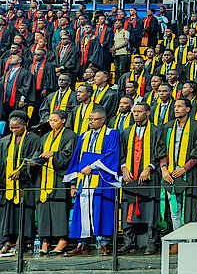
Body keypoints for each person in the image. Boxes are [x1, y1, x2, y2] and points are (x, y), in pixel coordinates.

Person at [63, 108, 122, 256]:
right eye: (89, 119)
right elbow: (77, 158)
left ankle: (104, 243)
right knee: (82, 210)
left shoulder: (112, 134)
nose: (90, 122)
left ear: (102, 120)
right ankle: (82, 243)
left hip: (102, 178)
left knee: (103, 209)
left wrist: (93, 166)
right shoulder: (84, 135)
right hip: (84, 179)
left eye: (93, 119)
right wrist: (73, 183)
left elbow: (112, 154)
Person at [119, 102, 164, 255]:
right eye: (134, 112)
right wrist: (124, 167)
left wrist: (149, 167)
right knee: (128, 207)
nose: (136, 114)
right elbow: (122, 154)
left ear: (148, 113)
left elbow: (160, 153)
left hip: (149, 176)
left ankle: (151, 242)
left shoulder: (157, 130)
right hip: (130, 176)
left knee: (151, 209)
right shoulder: (126, 132)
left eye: (139, 111)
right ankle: (128, 242)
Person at [29, 110, 77, 255]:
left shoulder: (70, 136)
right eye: (50, 120)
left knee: (59, 208)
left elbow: (69, 156)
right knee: (43, 209)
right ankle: (45, 240)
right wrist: (33, 162)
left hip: (59, 178)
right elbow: (38, 153)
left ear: (63, 120)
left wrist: (54, 154)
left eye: (55, 120)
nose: (52, 123)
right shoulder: (45, 137)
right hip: (43, 177)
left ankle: (62, 239)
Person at [160, 97, 197, 240]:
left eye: (180, 106)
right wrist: (164, 169)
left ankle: (191, 239)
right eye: (175, 107)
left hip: (189, 174)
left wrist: (185, 168)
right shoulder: (168, 127)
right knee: (174, 208)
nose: (176, 109)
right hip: (170, 174)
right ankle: (178, 239)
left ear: (188, 109)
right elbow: (161, 149)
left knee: (189, 207)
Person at [0, 111, 42, 255]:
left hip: (26, 183)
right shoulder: (5, 140)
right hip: (9, 184)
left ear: (24, 125)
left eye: (17, 127)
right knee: (10, 213)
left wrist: (21, 171)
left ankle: (23, 240)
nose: (14, 130)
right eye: (11, 128)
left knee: (25, 212)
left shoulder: (33, 139)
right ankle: (9, 240)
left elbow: (33, 158)